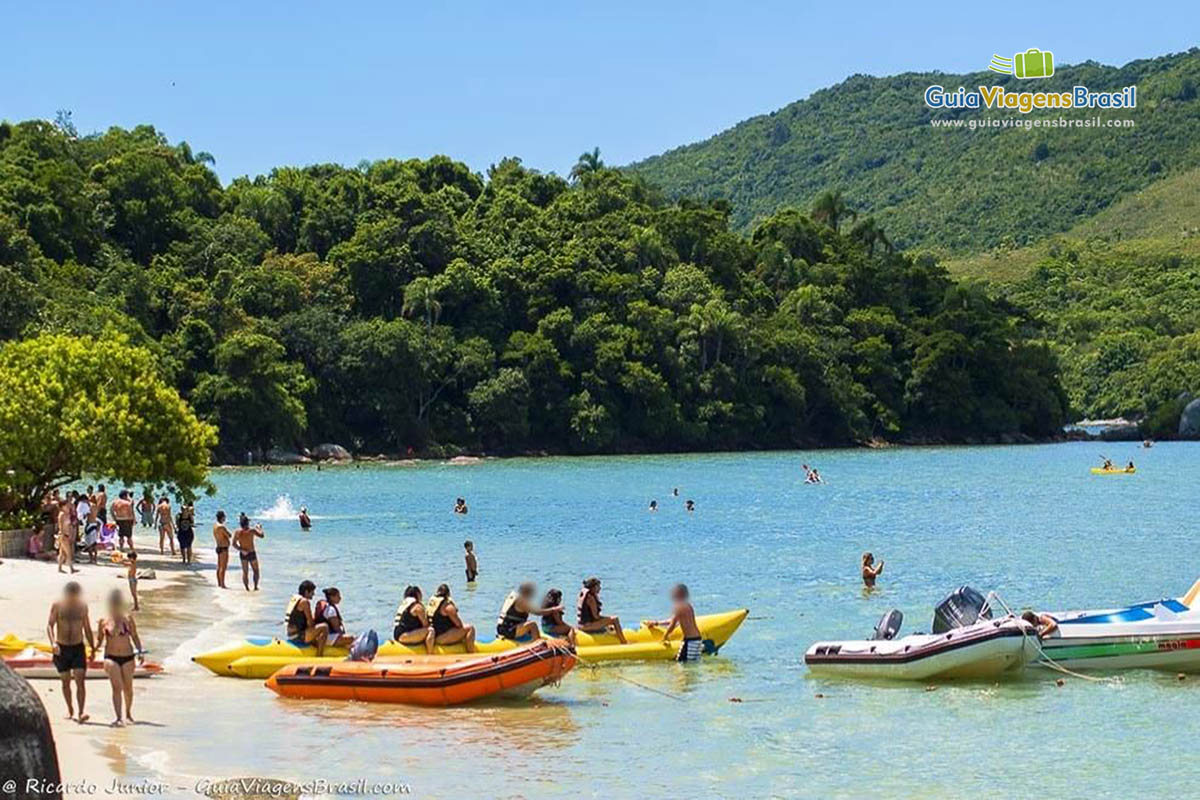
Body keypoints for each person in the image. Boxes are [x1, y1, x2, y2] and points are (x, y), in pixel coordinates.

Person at [47, 582, 94, 722]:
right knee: (65, 682)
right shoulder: (57, 605)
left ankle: (81, 712)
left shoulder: (82, 607)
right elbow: (50, 625)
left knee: (80, 681)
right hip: (61, 648)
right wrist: (53, 643)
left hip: (78, 647)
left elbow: (87, 628)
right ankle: (70, 709)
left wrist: (93, 647)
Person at [95, 588, 143, 727]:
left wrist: (139, 651)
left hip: (128, 656)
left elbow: (134, 636)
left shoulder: (128, 619)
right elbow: (99, 639)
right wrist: (93, 650)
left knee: (128, 687)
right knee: (117, 687)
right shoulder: (104, 621)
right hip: (111, 657)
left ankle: (128, 713)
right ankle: (118, 717)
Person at [646, 583, 704, 662]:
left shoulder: (678, 606)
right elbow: (674, 621)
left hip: (690, 641)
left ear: (679, 594)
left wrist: (664, 637)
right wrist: (657, 623)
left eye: (674, 592)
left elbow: (672, 625)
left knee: (682, 664)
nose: (672, 593)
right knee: (690, 664)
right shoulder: (687, 606)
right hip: (696, 639)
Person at [496, 582, 561, 642]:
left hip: (504, 628)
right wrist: (554, 609)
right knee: (532, 625)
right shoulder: (521, 602)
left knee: (528, 624)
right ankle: (538, 644)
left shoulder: (516, 598)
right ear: (527, 592)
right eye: (532, 591)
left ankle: (530, 639)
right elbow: (538, 612)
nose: (533, 593)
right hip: (508, 630)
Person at [576, 577, 627, 644]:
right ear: (593, 587)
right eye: (598, 586)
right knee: (615, 619)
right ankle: (624, 642)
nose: (600, 588)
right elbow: (596, 617)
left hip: (581, 625)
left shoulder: (583, 595)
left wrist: (607, 622)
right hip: (587, 626)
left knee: (610, 623)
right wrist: (609, 620)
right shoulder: (590, 599)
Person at [284, 580, 329, 655]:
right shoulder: (305, 602)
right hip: (298, 636)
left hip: (291, 634)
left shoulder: (295, 599)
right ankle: (320, 655)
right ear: (306, 592)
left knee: (316, 635)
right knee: (324, 627)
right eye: (312, 592)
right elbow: (310, 622)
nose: (314, 594)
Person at [428, 584, 476, 652]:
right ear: (448, 594)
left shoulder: (432, 603)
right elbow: (459, 625)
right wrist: (454, 608)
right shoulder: (448, 607)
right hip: (441, 638)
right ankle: (471, 653)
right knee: (470, 628)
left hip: (432, 635)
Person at [393, 586, 435, 653]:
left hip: (397, 634)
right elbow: (426, 625)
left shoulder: (405, 604)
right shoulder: (417, 607)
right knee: (430, 630)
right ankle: (430, 654)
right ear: (418, 595)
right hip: (404, 636)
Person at [233, 514, 264, 591]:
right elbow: (262, 535)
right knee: (256, 571)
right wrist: (259, 528)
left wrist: (241, 550)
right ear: (247, 523)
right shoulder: (251, 531)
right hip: (251, 552)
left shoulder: (237, 532)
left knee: (245, 572)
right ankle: (255, 587)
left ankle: (247, 589)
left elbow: (234, 544)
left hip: (243, 553)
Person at [56, 497, 76, 574]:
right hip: (63, 535)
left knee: (62, 553)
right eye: (66, 505)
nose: (68, 506)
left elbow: (69, 525)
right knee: (68, 552)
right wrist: (63, 534)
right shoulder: (61, 515)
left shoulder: (66, 514)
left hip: (66, 534)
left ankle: (60, 568)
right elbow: (60, 526)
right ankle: (71, 568)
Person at [213, 510, 233, 589]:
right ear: (222, 517)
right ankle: (222, 584)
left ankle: (219, 583)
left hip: (219, 546)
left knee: (219, 566)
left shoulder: (215, 526)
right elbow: (229, 535)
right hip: (223, 548)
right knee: (223, 567)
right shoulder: (221, 527)